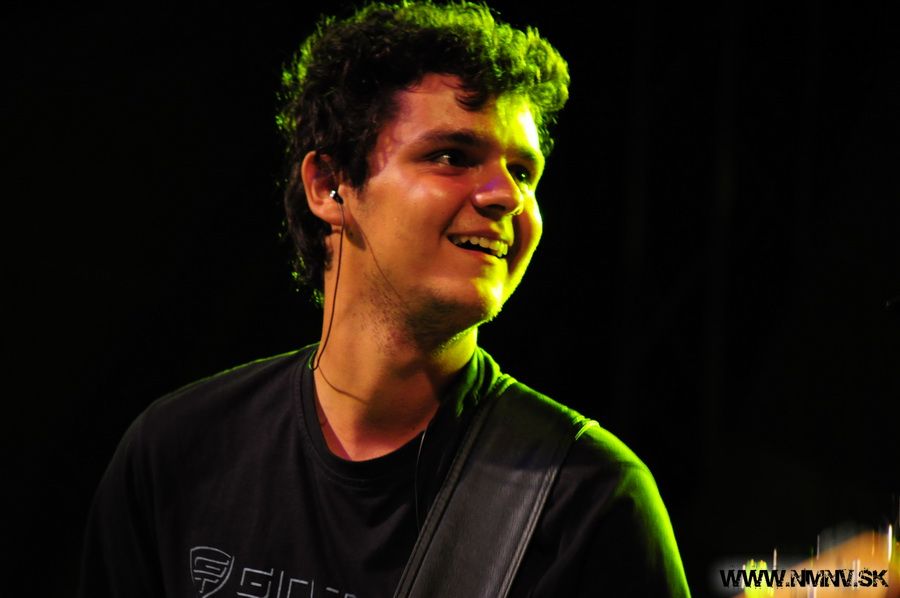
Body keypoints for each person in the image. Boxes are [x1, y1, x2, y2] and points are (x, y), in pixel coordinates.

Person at [79, 2, 691, 597]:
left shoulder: (588, 499)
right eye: (452, 157)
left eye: (524, 172)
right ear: (329, 186)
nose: (507, 196)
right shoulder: (177, 450)